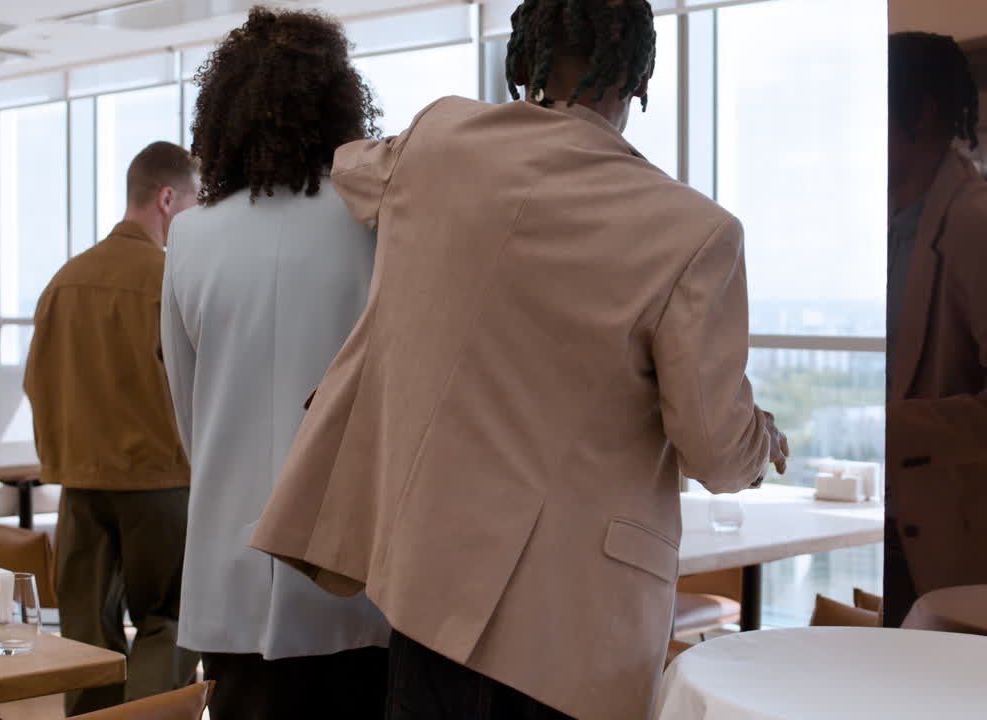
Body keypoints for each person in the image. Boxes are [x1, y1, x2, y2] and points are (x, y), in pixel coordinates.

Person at [250, 2, 788, 719]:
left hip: (427, 597)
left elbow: (352, 168)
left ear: (522, 59)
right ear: (639, 76)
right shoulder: (695, 231)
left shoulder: (439, 142)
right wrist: (763, 441)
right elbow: (717, 450)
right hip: (571, 634)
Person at [160, 8, 392, 719]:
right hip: (349, 567)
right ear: (341, 107)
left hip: (228, 565)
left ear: (223, 115)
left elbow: (190, 416)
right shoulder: (376, 226)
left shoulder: (190, 237)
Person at [24, 141, 201, 715]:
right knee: (168, 622)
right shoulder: (171, 278)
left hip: (80, 484)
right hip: (161, 482)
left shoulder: (65, 280)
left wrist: (64, 457)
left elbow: (36, 382)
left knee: (85, 632)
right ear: (167, 198)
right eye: (196, 201)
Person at [883, 32, 987, 627]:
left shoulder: (986, 236)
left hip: (945, 550)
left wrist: (886, 427)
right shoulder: (882, 223)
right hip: (872, 532)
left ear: (922, 115)